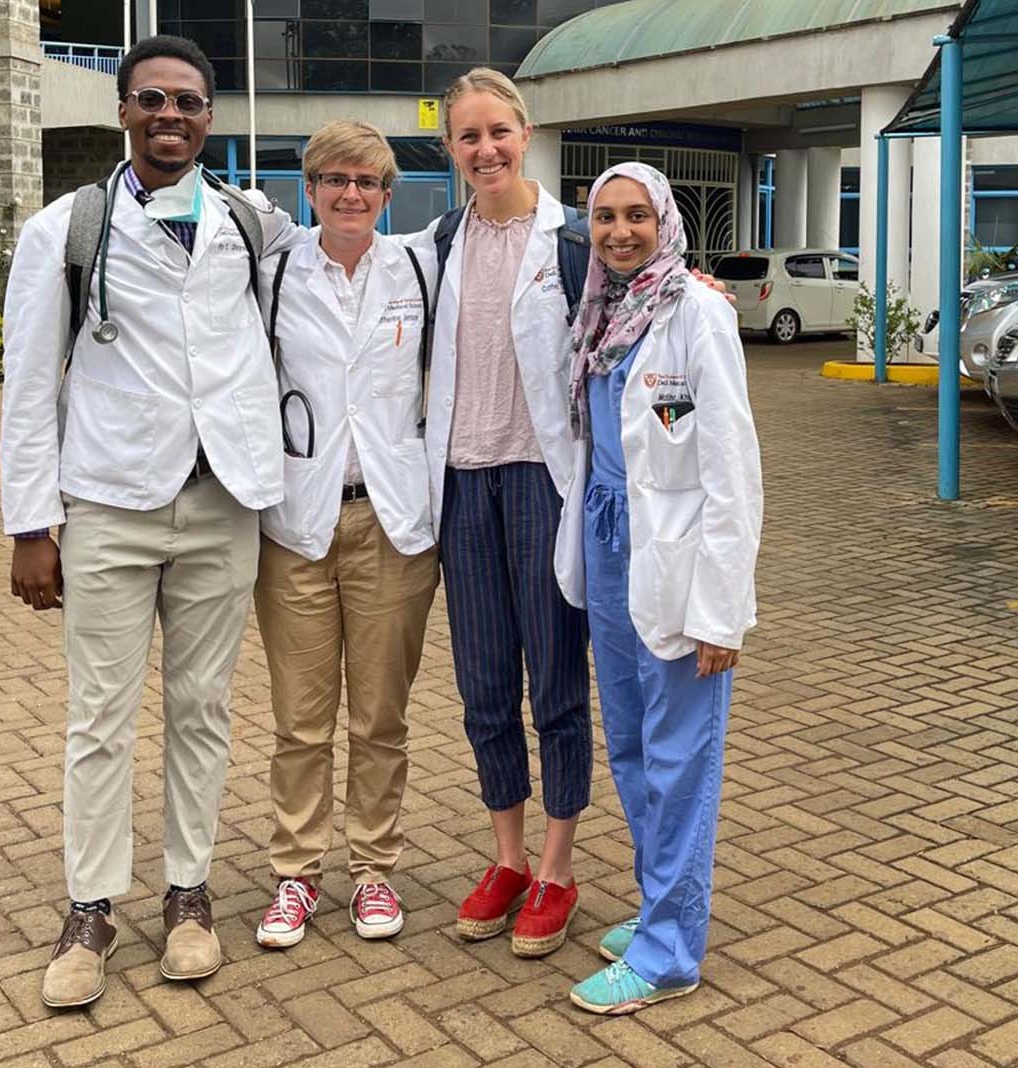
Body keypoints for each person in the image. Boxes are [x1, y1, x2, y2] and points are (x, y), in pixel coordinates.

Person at [0, 35, 296, 1007]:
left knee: (203, 711)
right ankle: (90, 907)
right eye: (153, 99)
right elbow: (31, 382)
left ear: (210, 119)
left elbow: (357, 268)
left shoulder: (252, 224)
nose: (171, 115)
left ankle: (188, 893)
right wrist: (30, 525)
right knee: (99, 719)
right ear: (123, 110)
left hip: (221, 504)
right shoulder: (66, 231)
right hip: (113, 505)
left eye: (190, 102)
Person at [553, 162, 761, 1015]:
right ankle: (658, 908)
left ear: (665, 222)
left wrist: (722, 610)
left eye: (638, 216)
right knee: (633, 745)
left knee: (680, 755)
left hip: (674, 554)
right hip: (609, 541)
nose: (621, 232)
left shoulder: (697, 312)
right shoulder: (599, 311)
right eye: (605, 217)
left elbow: (732, 469)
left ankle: (672, 949)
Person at [418, 68, 594, 960]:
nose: (485, 150)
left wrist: (702, 290)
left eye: (499, 132)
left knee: (556, 684)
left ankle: (559, 869)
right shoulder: (438, 242)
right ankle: (509, 860)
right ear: (449, 149)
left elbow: (648, 290)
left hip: (541, 481)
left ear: (526, 133)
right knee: (484, 685)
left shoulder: (574, 242)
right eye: (467, 137)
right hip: (460, 483)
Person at [250, 121, 438, 949]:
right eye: (335, 180)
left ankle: (373, 872)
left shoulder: (421, 267)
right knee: (299, 717)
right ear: (310, 188)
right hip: (295, 522)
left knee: (380, 716)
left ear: (388, 194)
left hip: (393, 522)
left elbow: (537, 237)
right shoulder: (275, 270)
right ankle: (296, 874)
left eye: (368, 182)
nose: (351, 194)